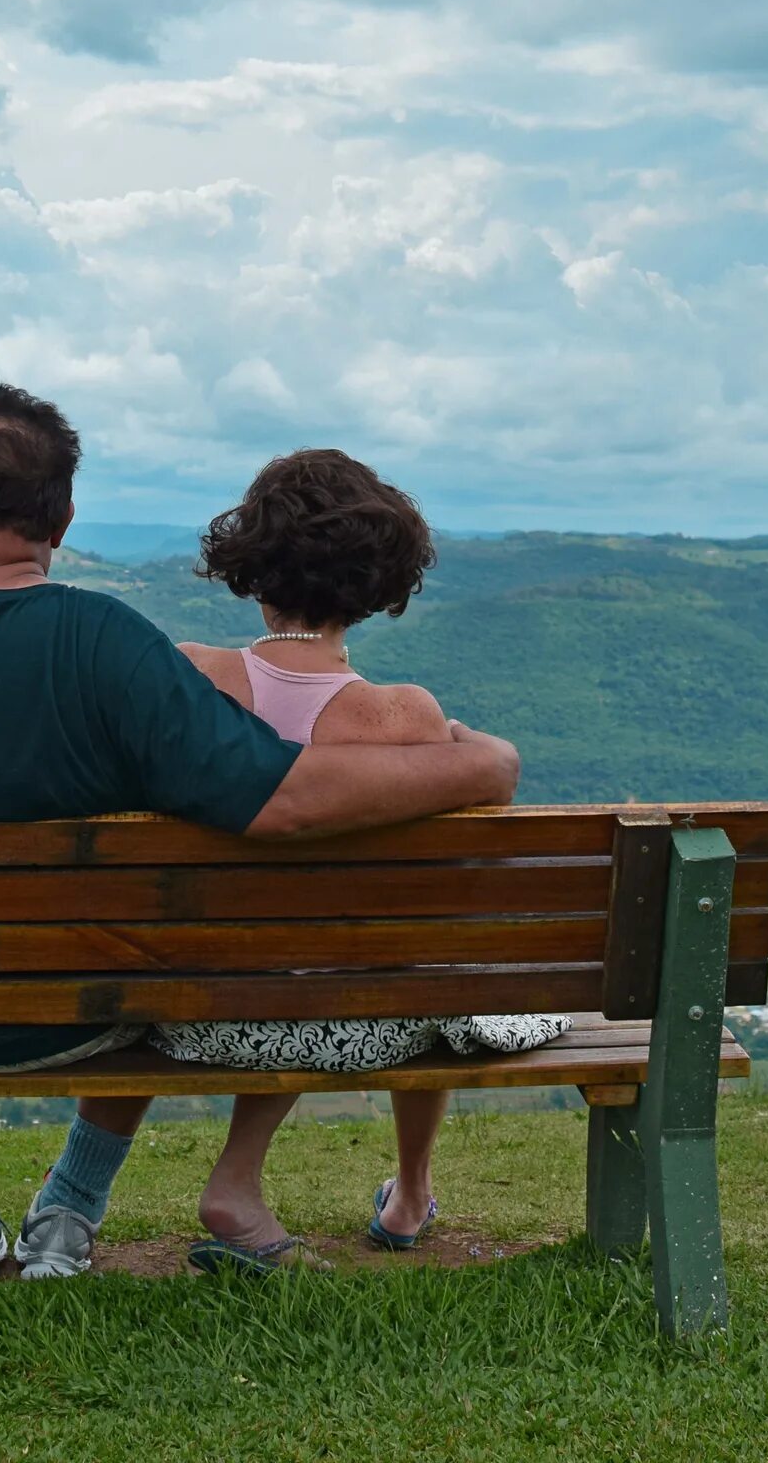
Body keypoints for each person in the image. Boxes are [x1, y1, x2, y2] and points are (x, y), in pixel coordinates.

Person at [0, 387, 523, 1285]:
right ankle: (69, 1204)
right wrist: (481, 767)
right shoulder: (109, 647)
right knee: (153, 928)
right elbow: (285, 802)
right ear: (61, 518)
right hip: (72, 1019)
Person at [159, 449, 570, 1273]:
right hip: (364, 1014)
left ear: (250, 561)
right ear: (378, 578)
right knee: (429, 961)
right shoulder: (403, 717)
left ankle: (262, 1179)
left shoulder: (187, 675)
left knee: (337, 954)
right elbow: (487, 783)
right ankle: (412, 1193)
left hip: (194, 1007)